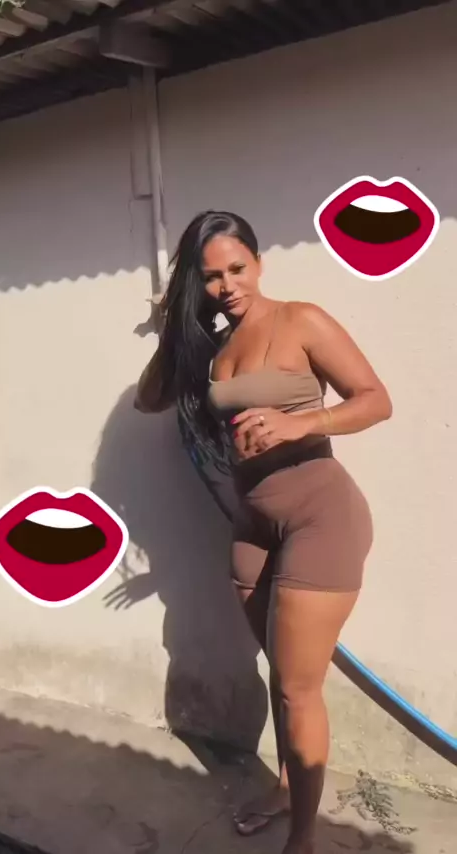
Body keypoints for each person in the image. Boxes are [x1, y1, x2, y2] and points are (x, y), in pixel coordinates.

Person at [134, 210, 392, 854]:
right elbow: (149, 398)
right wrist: (178, 323)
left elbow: (374, 399)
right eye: (211, 277)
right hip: (253, 524)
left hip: (320, 518)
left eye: (237, 269)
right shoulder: (212, 349)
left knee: (298, 688)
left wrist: (302, 423)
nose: (227, 286)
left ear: (259, 262)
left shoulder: (300, 319)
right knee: (283, 674)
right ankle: (284, 786)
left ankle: (303, 838)